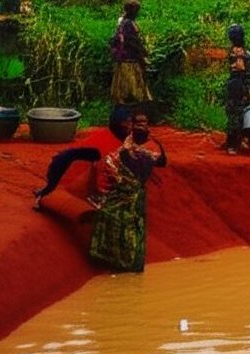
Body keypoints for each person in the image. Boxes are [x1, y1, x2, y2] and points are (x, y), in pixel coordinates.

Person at [87, 111, 166, 273]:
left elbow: (161, 161)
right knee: (110, 217)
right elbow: (111, 164)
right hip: (122, 191)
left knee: (133, 228)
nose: (140, 126)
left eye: (144, 123)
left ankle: (130, 266)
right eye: (137, 123)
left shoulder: (150, 146)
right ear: (131, 125)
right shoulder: (125, 147)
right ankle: (115, 262)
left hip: (134, 193)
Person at [33, 106, 132, 209]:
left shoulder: (107, 135)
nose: (131, 125)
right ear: (122, 124)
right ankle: (43, 196)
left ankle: (47, 190)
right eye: (129, 122)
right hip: (64, 172)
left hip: (60, 165)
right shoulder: (113, 146)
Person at [109, 1, 152, 107]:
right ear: (132, 11)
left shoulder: (125, 22)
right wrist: (141, 52)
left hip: (128, 59)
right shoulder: (127, 24)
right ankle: (129, 114)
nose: (137, 13)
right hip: (128, 61)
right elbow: (130, 41)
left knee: (129, 90)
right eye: (136, 10)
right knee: (130, 90)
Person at [224, 23, 250, 155]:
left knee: (234, 113)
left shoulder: (236, 52)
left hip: (237, 83)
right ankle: (237, 141)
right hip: (241, 83)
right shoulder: (244, 52)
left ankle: (233, 143)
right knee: (240, 112)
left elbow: (239, 70)